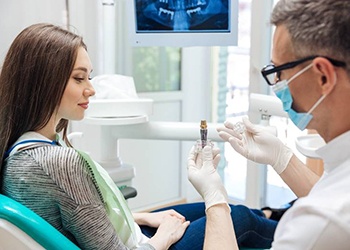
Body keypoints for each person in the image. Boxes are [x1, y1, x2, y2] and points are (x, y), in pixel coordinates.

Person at [0, 23, 284, 250]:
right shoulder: (58, 163)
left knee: (237, 211)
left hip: (129, 234)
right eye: (79, 78)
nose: (91, 89)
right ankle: (302, 230)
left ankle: (279, 215)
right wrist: (165, 236)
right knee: (241, 218)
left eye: (89, 77)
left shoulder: (22, 148)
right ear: (43, 81)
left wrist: (144, 216)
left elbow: (79, 220)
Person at [190, 0, 350, 249]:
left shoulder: (320, 222)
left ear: (323, 76)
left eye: (280, 71)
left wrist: (215, 200)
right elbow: (330, 188)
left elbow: (330, 208)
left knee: (241, 217)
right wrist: (281, 157)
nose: (277, 84)